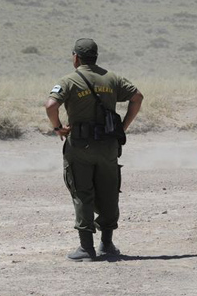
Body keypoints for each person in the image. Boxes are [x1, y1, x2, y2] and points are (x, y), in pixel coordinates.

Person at [45, 38, 143, 262]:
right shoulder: (112, 78)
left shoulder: (69, 80)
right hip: (108, 146)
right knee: (109, 191)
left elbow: (51, 105)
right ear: (96, 56)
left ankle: (86, 248)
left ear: (76, 57)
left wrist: (58, 128)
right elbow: (137, 97)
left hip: (80, 146)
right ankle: (107, 244)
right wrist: (123, 126)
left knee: (82, 192)